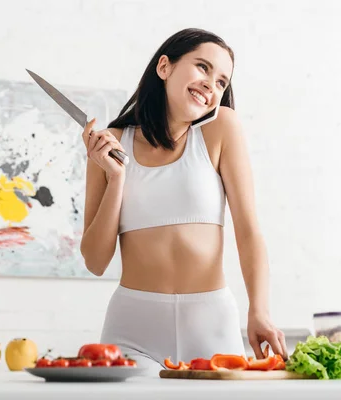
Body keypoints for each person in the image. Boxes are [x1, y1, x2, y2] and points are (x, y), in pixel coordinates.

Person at [79, 28, 288, 375]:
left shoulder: (222, 128)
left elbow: (248, 231)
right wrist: (116, 179)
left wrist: (259, 310)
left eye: (222, 82)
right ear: (165, 67)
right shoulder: (109, 143)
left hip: (212, 325)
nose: (211, 85)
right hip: (132, 331)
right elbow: (95, 261)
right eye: (203, 67)